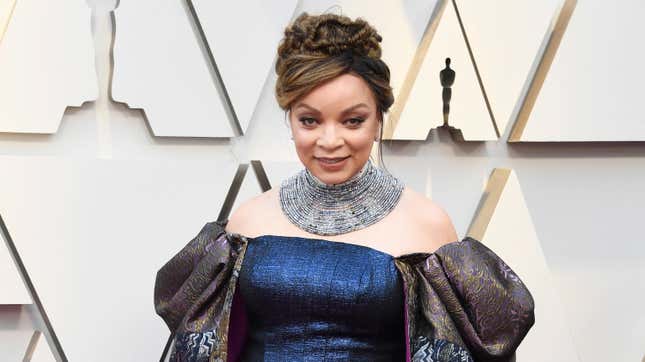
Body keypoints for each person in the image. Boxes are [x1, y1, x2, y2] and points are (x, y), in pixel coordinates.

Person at [154, 12, 534, 362]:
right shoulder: (248, 221)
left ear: (378, 119)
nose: (330, 140)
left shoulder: (427, 224)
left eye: (352, 121)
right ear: (289, 118)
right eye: (310, 121)